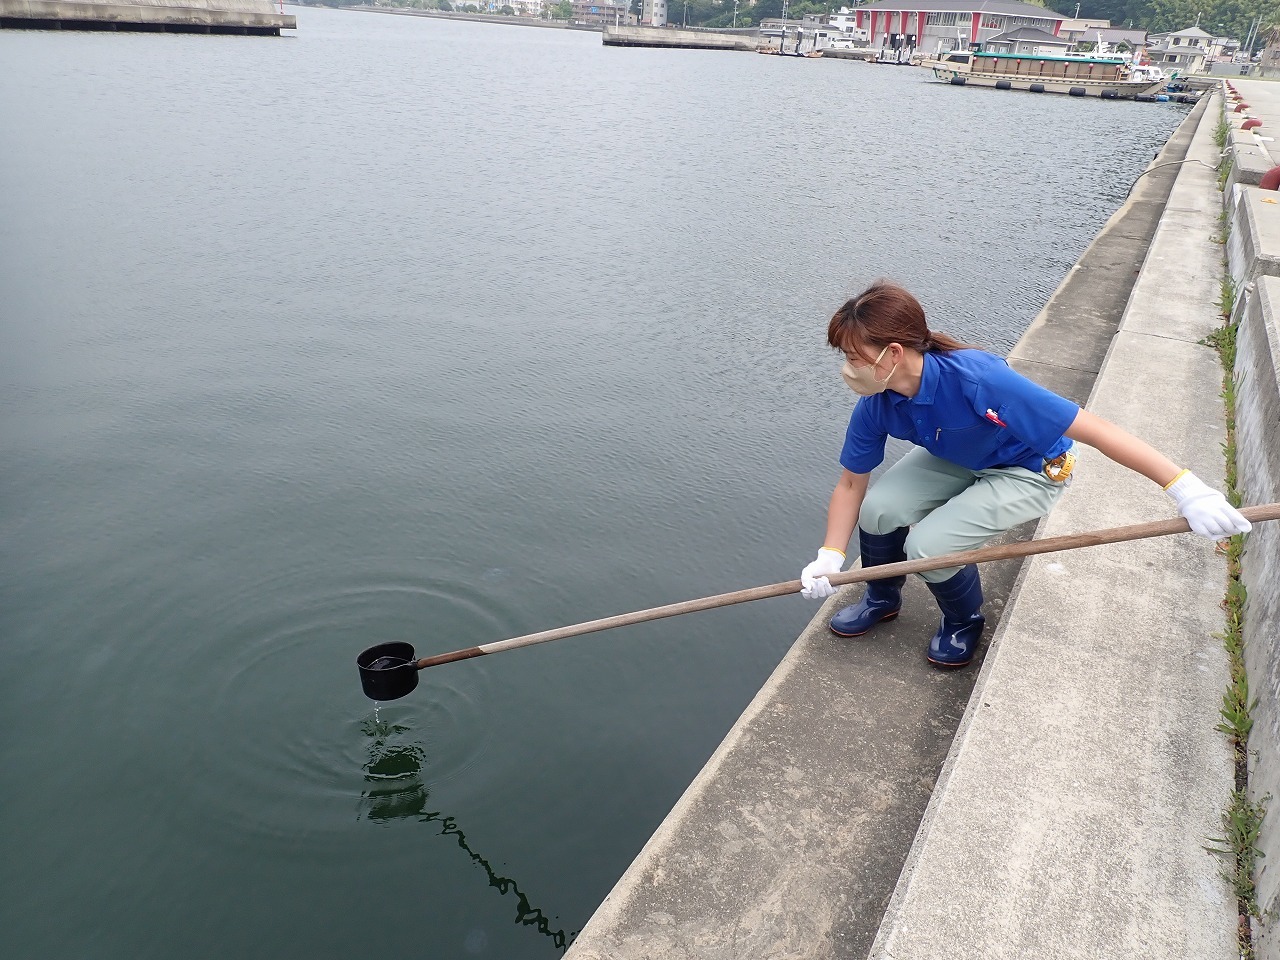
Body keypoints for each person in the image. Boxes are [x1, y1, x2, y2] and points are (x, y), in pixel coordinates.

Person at [799, 280, 1251, 668]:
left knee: (929, 545)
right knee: (878, 510)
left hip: (1029, 469)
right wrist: (830, 555)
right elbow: (852, 483)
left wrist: (1185, 487)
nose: (848, 368)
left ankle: (963, 622)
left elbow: (1097, 430)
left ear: (893, 352)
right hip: (963, 456)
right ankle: (881, 597)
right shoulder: (878, 401)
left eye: (855, 356)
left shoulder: (980, 380)